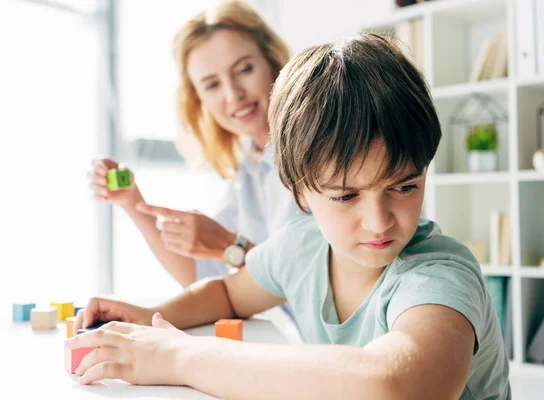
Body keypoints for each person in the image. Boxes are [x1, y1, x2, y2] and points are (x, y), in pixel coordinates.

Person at [68, 33, 510, 399]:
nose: (379, 221)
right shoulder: (302, 243)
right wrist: (150, 316)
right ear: (299, 189)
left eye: (405, 186)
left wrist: (177, 356)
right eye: (345, 196)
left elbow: (397, 383)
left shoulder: (439, 274)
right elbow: (228, 294)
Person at [88, 0, 299, 289]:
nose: (233, 94)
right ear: (198, 99)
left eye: (245, 69)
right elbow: (202, 272)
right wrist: (132, 201)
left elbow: (306, 278)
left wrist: (228, 245)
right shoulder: (250, 167)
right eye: (212, 85)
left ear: (273, 62)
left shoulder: (313, 152)